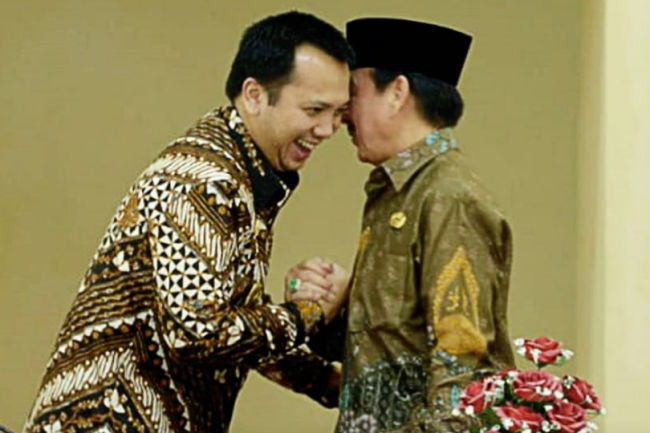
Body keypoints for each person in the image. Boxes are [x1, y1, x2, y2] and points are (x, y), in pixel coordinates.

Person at [24, 11, 352, 433]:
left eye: (340, 113)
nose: (328, 129)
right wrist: (307, 315)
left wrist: (329, 383)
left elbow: (231, 322)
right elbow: (200, 333)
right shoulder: (204, 182)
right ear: (254, 95)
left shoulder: (240, 172)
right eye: (315, 109)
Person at [286, 17, 515, 433]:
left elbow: (463, 376)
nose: (342, 115)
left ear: (397, 93)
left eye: (353, 93)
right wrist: (332, 308)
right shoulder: (397, 191)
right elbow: (390, 351)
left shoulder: (449, 197)